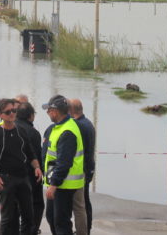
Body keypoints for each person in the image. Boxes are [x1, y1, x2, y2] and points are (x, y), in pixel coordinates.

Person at [0, 98, 43, 235]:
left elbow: (31, 154)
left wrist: (37, 167)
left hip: (23, 178)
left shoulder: (21, 131)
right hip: (5, 180)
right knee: (8, 219)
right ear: (0, 115)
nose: (12, 114)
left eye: (14, 111)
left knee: (29, 217)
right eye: (8, 112)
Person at [42, 95, 87, 235]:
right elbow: (52, 159)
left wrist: (54, 185)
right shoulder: (58, 127)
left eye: (48, 110)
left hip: (64, 184)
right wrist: (50, 182)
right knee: (51, 216)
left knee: (61, 221)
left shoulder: (67, 131)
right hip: (56, 182)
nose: (47, 113)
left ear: (55, 111)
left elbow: (64, 163)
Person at [17, 101, 45, 234]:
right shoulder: (33, 133)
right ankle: (32, 231)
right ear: (30, 116)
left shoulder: (8, 128)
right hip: (30, 176)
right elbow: (37, 156)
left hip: (10, 176)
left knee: (14, 208)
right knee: (37, 205)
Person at [69, 98, 96, 234]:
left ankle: (84, 229)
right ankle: (86, 228)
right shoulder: (88, 124)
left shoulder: (78, 126)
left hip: (81, 170)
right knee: (85, 201)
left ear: (71, 110)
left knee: (81, 204)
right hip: (88, 167)